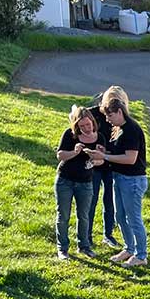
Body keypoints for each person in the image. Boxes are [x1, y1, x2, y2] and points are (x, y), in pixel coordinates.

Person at [93, 95, 149, 268]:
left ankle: (141, 254)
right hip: (120, 178)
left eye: (109, 115)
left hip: (132, 180)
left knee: (134, 218)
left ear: (119, 112)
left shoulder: (131, 129)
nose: (107, 119)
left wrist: (105, 156)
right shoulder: (119, 128)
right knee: (120, 216)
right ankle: (129, 248)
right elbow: (120, 149)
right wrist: (106, 149)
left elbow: (130, 158)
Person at [54, 105, 102, 259]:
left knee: (84, 216)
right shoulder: (70, 135)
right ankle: (62, 248)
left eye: (88, 125)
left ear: (93, 122)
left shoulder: (99, 137)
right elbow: (60, 155)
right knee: (64, 215)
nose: (86, 128)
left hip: (85, 182)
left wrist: (94, 159)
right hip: (65, 180)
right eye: (81, 126)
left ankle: (84, 246)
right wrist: (75, 152)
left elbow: (103, 160)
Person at [87, 85, 129, 249]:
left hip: (111, 163)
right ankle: (87, 235)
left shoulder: (122, 118)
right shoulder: (93, 113)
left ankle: (108, 234)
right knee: (92, 200)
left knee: (110, 201)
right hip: (96, 164)